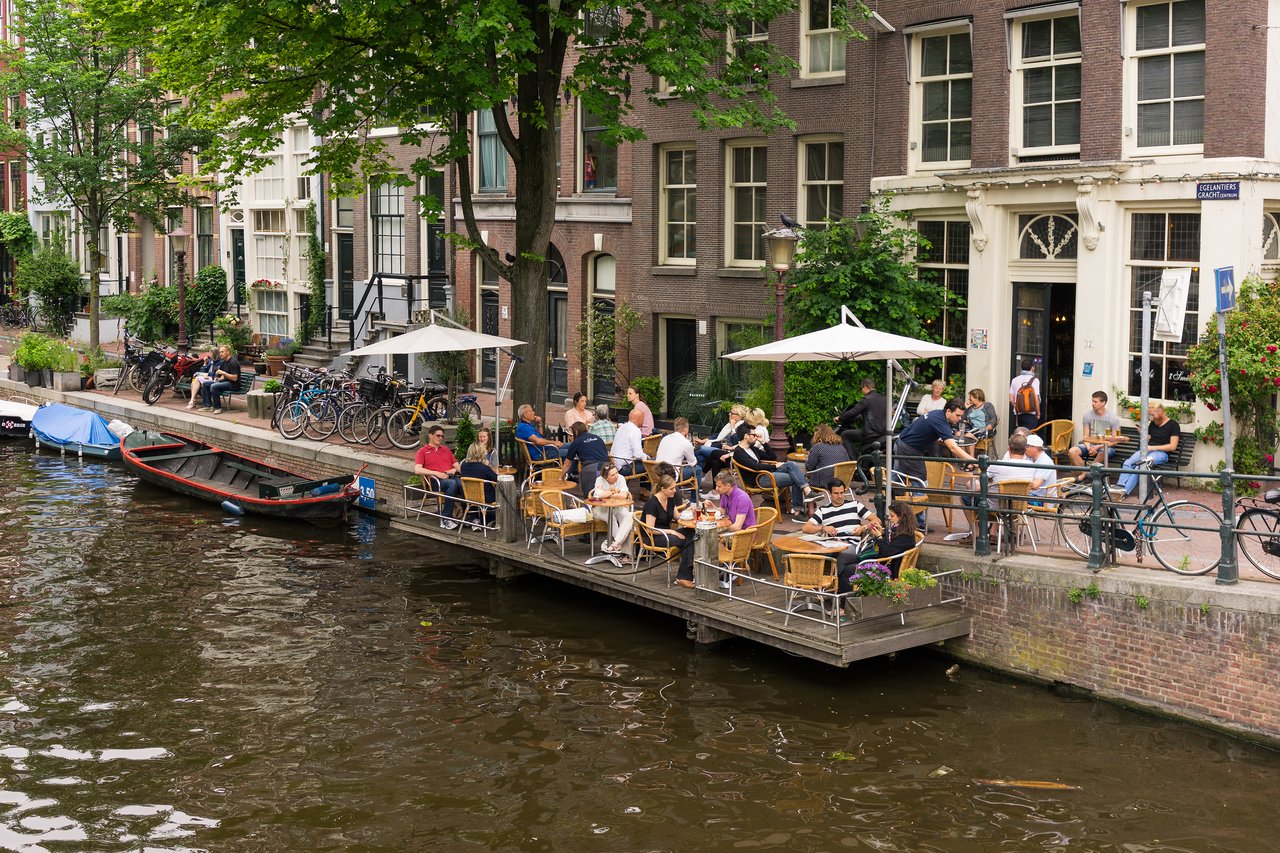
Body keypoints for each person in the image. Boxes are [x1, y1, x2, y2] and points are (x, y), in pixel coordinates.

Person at [836, 501, 917, 621]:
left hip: (887, 568)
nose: (889, 518)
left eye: (892, 515)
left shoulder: (905, 536)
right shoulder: (900, 529)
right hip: (883, 561)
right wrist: (884, 533)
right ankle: (840, 594)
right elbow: (891, 546)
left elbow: (886, 553)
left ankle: (844, 605)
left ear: (901, 517)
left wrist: (879, 537)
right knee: (843, 558)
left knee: (848, 570)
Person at [801, 477, 879, 577]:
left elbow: (877, 520)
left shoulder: (855, 505)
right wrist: (822, 528)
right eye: (836, 493)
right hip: (832, 545)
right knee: (813, 555)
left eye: (842, 493)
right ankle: (813, 583)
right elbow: (805, 528)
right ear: (829, 493)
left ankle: (834, 583)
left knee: (842, 556)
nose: (840, 496)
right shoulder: (823, 510)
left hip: (852, 545)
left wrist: (863, 527)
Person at [732, 427, 814, 518]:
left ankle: (801, 503)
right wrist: (774, 466)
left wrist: (763, 442)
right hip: (759, 479)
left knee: (791, 464)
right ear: (746, 436)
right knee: (796, 477)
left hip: (767, 474)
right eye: (754, 435)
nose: (756, 437)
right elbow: (755, 467)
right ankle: (799, 508)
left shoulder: (752, 449)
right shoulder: (739, 452)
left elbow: (772, 457)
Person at [642, 474, 696, 588]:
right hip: (653, 537)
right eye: (671, 488)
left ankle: (685, 575)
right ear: (662, 489)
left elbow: (677, 517)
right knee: (688, 541)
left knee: (693, 534)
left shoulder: (669, 499)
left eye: (674, 487)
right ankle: (684, 576)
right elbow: (650, 529)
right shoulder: (652, 503)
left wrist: (689, 512)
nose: (675, 491)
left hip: (665, 533)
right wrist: (671, 532)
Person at [1116, 403, 1181, 497]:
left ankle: (1124, 492)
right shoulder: (1153, 423)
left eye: (1152, 415)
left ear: (1160, 412)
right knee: (1128, 462)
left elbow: (1172, 446)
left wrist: (1152, 448)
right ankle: (1119, 487)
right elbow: (1150, 438)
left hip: (1162, 454)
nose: (1151, 417)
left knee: (1140, 466)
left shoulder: (1173, 425)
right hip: (1148, 450)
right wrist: (1143, 433)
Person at [415, 424, 463, 529]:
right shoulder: (422, 451)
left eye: (442, 436)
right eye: (438, 436)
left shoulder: (446, 450)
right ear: (430, 436)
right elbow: (417, 470)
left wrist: (452, 470)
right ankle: (446, 518)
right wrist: (436, 473)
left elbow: (458, 467)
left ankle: (468, 517)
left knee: (462, 484)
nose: (440, 438)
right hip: (435, 481)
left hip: (450, 477)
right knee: (453, 483)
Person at [1066, 390, 1123, 473]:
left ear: (1103, 403)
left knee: (1103, 453)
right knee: (1072, 451)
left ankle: (1088, 473)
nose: (1093, 404)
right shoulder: (1087, 415)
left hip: (1106, 447)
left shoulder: (1113, 418)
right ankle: (1085, 474)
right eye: (1092, 401)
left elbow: (1114, 441)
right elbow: (1085, 436)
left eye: (1095, 402)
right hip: (1090, 445)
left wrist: (1098, 447)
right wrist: (1089, 448)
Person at [838, 378, 887, 459]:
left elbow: (853, 412)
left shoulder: (866, 399)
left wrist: (840, 418)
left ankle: (854, 460)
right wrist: (859, 418)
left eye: (861, 388)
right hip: (881, 433)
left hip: (870, 434)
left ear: (865, 386)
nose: (861, 391)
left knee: (844, 435)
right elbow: (873, 415)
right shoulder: (883, 399)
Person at [594, 463, 635, 558]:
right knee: (611, 518)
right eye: (612, 475)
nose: (616, 476)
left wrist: (607, 493)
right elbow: (597, 495)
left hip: (618, 507)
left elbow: (624, 495)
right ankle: (619, 545)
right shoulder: (599, 480)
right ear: (605, 477)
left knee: (626, 516)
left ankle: (618, 544)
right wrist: (614, 491)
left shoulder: (621, 478)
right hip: (601, 509)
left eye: (616, 473)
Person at [656, 417, 704, 496]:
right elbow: (693, 463)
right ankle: (694, 502)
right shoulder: (685, 442)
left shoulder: (665, 438)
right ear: (685, 429)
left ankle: (680, 495)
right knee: (698, 469)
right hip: (672, 475)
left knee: (681, 466)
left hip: (657, 473)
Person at [459, 442, 498, 528]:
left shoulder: (463, 465)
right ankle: (494, 520)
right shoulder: (484, 468)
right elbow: (497, 479)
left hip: (469, 496)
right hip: (486, 498)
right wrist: (488, 465)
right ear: (480, 452)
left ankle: (475, 519)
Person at [561, 421, 610, 486]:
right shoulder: (597, 438)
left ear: (575, 431)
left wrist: (561, 477)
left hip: (591, 469)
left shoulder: (576, 442)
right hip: (607, 467)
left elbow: (567, 463)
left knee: (590, 493)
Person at [805, 423, 851, 488]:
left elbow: (809, 467)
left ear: (817, 435)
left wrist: (808, 458)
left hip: (825, 482)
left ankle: (809, 495)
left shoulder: (817, 447)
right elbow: (847, 462)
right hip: (842, 482)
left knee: (801, 476)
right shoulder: (841, 447)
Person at [199, 345, 240, 414]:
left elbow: (235, 378)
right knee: (205, 384)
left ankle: (218, 408)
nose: (220, 353)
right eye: (220, 352)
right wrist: (217, 379)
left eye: (222, 352)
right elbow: (223, 377)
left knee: (214, 386)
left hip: (233, 384)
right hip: (226, 382)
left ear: (228, 352)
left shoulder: (233, 362)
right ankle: (208, 406)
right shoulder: (224, 362)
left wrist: (223, 373)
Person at [610, 408, 648, 475]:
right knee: (652, 465)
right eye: (643, 419)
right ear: (639, 419)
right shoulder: (635, 430)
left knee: (645, 462)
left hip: (614, 464)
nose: (644, 420)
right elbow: (638, 454)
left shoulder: (622, 427)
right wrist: (647, 457)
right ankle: (646, 485)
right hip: (624, 467)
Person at [1008, 360, 1042, 431]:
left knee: (1021, 435)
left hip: (1019, 414)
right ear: (1032, 368)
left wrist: (1017, 406)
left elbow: (1011, 399)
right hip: (1031, 413)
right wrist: (1038, 413)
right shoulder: (1035, 380)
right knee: (1030, 436)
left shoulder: (1014, 380)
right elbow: (1036, 398)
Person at [1023, 433, 1057, 500]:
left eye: (1027, 446)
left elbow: (1035, 485)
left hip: (1041, 500)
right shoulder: (1031, 458)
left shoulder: (1045, 461)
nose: (1024, 449)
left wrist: (1018, 484)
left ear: (1035, 448)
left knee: (1013, 499)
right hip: (1033, 495)